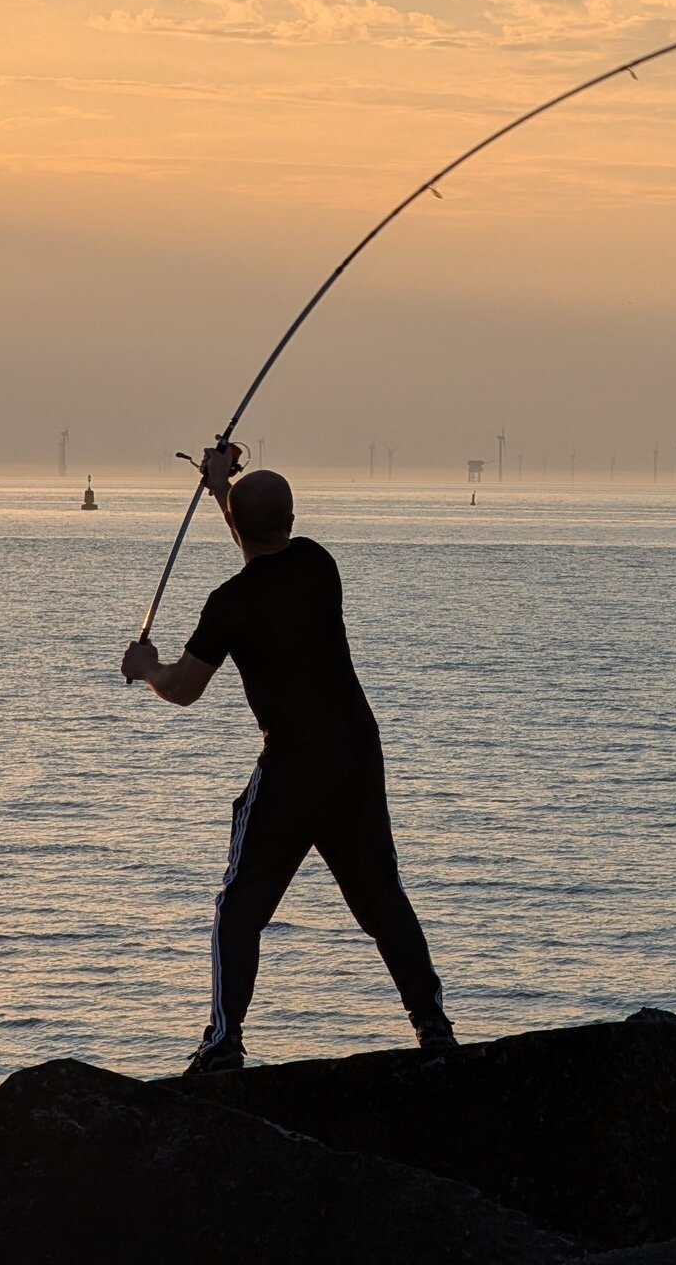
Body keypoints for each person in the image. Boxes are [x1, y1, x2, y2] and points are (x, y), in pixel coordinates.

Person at [121, 447, 454, 1071]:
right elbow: (259, 541)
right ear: (293, 519)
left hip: (293, 770)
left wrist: (147, 670)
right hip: (356, 755)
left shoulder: (228, 605)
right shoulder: (318, 564)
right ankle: (433, 1027)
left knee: (239, 909)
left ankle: (223, 1045)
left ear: (239, 525)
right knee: (382, 899)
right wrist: (226, 488)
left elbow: (186, 688)